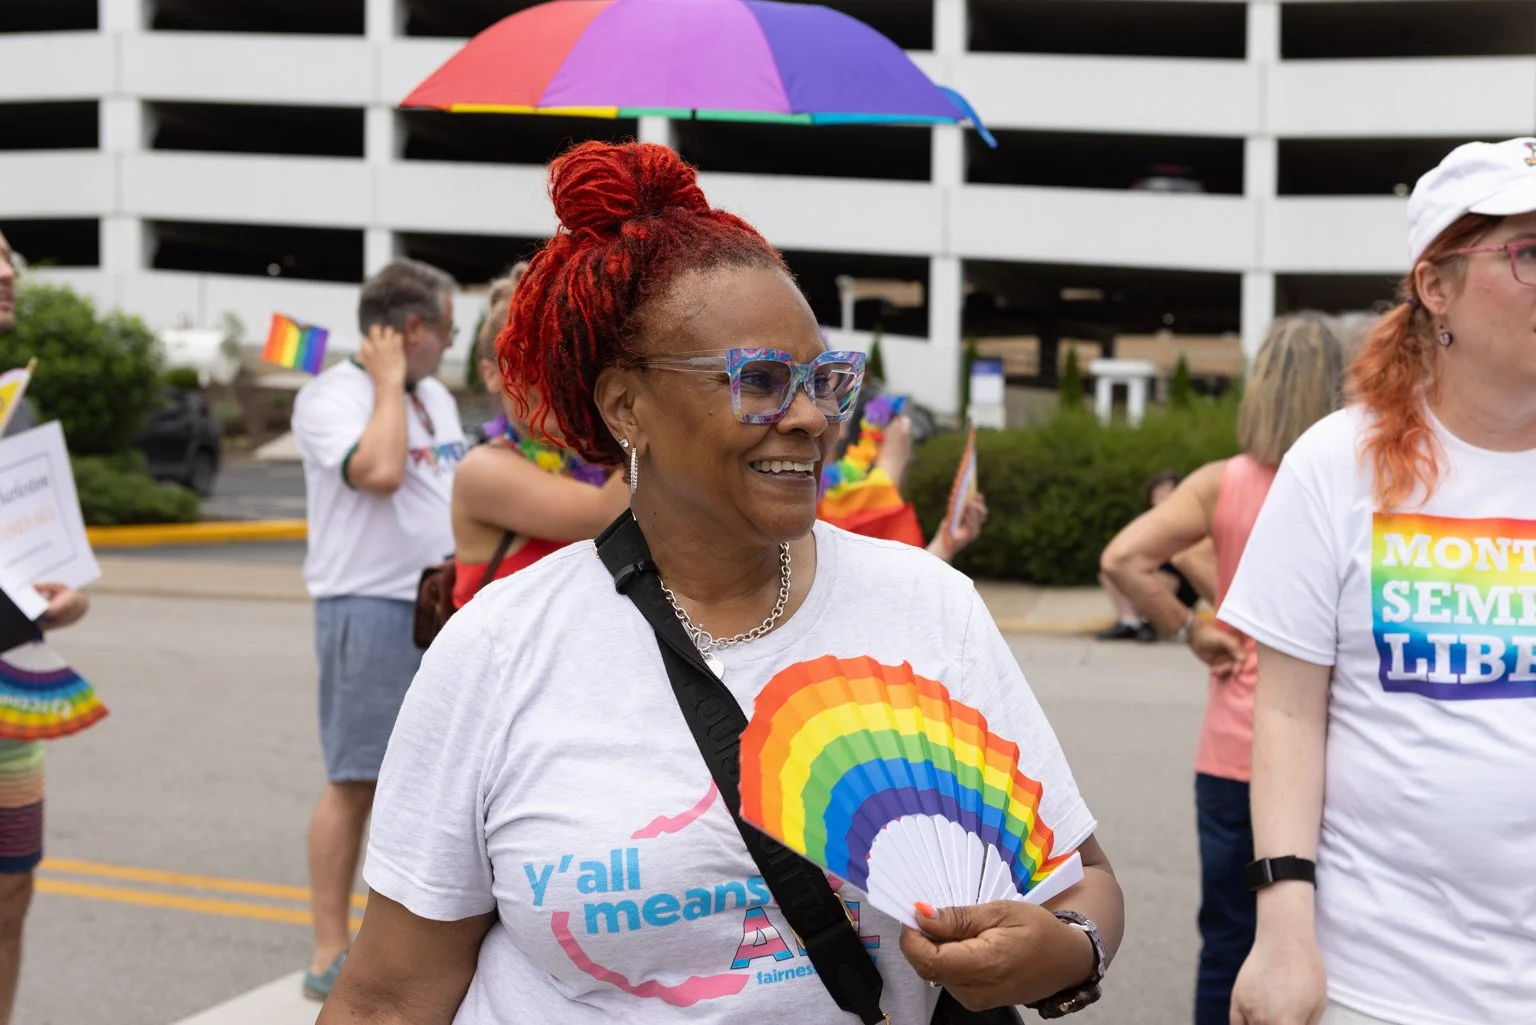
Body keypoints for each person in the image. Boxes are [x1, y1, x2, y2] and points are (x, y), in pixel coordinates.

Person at [319, 141, 1123, 1024]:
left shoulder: (925, 605)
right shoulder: (497, 650)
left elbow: (1082, 881)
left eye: (825, 379)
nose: (813, 417)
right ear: (627, 405)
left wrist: (1068, 948)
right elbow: (389, 998)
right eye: (762, 382)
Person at [1221, 137, 1536, 1025]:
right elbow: (1285, 712)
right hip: (1379, 981)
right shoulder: (1337, 464)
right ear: (1436, 286)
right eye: (1530, 252)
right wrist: (1283, 930)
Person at [1098, 313, 1345, 1025]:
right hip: (1323, 753)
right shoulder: (1353, 480)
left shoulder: (1222, 482)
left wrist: (1193, 630)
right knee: (1319, 945)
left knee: (1230, 939)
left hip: (1234, 749)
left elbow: (1123, 557)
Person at [290, 257, 466, 1001]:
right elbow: (383, 471)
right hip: (367, 603)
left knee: (433, 781)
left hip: (439, 603)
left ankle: (395, 934)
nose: (451, 345)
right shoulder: (332, 396)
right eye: (446, 329)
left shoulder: (437, 397)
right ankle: (330, 945)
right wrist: (388, 382)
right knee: (356, 779)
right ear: (412, 328)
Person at [0, 230, 94, 1025]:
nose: (7, 270)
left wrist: (64, 597)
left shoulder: (15, 398)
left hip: (10, 684)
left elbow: (40, 554)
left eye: (8, 256)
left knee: (10, 888)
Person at [450, 268, 629, 610]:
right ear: (491, 375)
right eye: (523, 362)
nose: (544, 378)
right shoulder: (481, 471)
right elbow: (603, 516)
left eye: (557, 358)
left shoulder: (594, 460)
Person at [1096, 471, 1214, 642]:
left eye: (1167, 490)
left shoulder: (1189, 519)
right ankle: (1129, 621)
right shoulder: (1144, 520)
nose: (1161, 494)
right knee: (1111, 565)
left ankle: (1150, 622)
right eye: (1158, 490)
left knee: (1161, 571)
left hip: (1181, 580)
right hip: (1149, 571)